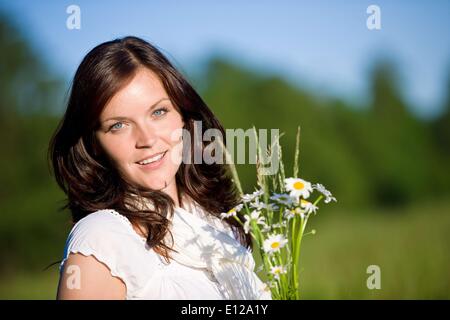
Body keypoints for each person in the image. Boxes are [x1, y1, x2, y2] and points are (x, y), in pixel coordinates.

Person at [49, 36, 272, 300]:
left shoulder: (213, 221)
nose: (147, 140)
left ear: (183, 115)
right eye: (118, 125)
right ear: (94, 143)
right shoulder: (101, 239)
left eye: (158, 112)